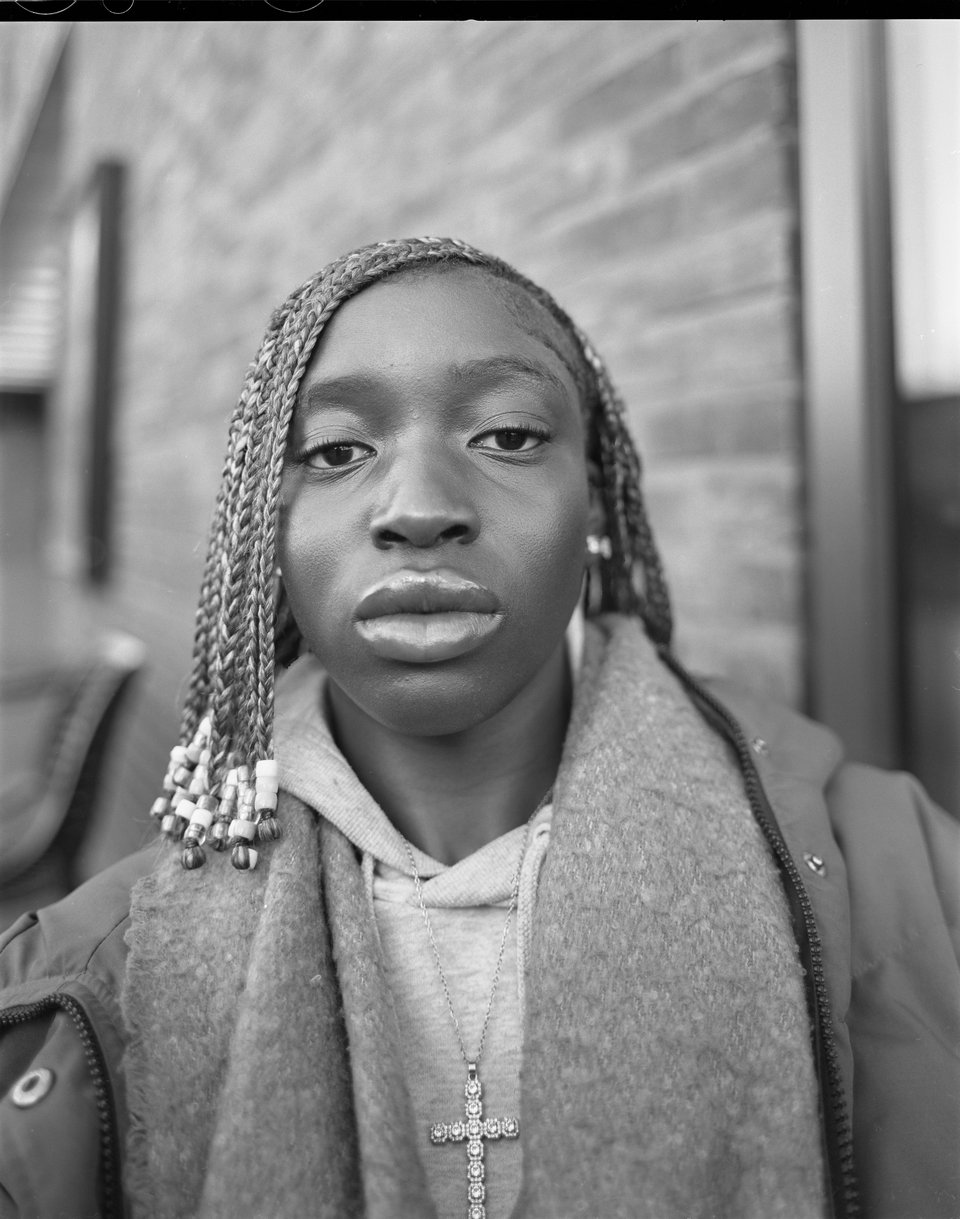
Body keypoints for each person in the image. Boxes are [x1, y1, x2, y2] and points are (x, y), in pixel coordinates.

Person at [0, 236, 957, 1219]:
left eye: (506, 435)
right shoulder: (68, 999)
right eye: (337, 451)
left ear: (596, 502)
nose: (418, 508)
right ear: (265, 531)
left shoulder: (914, 888)